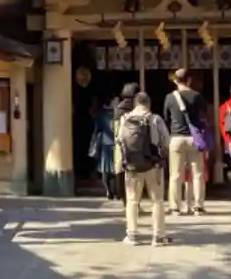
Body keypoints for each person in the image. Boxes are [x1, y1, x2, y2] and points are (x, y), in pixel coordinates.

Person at [118, 91, 171, 246]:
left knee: (132, 201)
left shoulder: (125, 119)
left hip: (132, 167)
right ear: (148, 103)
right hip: (153, 165)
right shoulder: (155, 119)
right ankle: (158, 236)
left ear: (135, 103)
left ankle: (132, 235)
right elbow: (167, 141)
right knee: (157, 201)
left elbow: (120, 140)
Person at [163, 69, 209, 217]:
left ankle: (175, 207)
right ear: (189, 80)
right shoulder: (197, 96)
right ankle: (198, 207)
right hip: (194, 138)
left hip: (176, 138)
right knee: (197, 174)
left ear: (175, 80)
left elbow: (166, 118)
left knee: (175, 175)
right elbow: (204, 116)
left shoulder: (170, 97)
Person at [89, 97, 117, 199]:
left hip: (105, 143)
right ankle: (116, 191)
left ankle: (108, 191)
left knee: (105, 169)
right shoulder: (118, 113)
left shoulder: (101, 114)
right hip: (117, 144)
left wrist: (93, 142)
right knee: (116, 170)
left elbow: (97, 129)